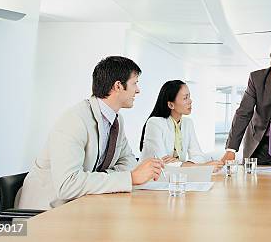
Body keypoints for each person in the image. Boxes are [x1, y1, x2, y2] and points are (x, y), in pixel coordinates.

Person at [17, 56, 163, 210]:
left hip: (82, 205)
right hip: (46, 212)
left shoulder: (116, 120)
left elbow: (128, 162)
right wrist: (130, 178)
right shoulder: (74, 120)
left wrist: (101, 177)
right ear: (118, 86)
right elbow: (68, 184)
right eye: (135, 83)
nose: (138, 90)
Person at [140, 80, 222, 168]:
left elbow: (198, 156)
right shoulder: (154, 123)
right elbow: (162, 162)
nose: (190, 101)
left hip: (177, 178)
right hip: (153, 179)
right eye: (185, 98)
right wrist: (201, 166)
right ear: (171, 105)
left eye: (189, 97)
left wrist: (180, 163)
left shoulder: (188, 123)